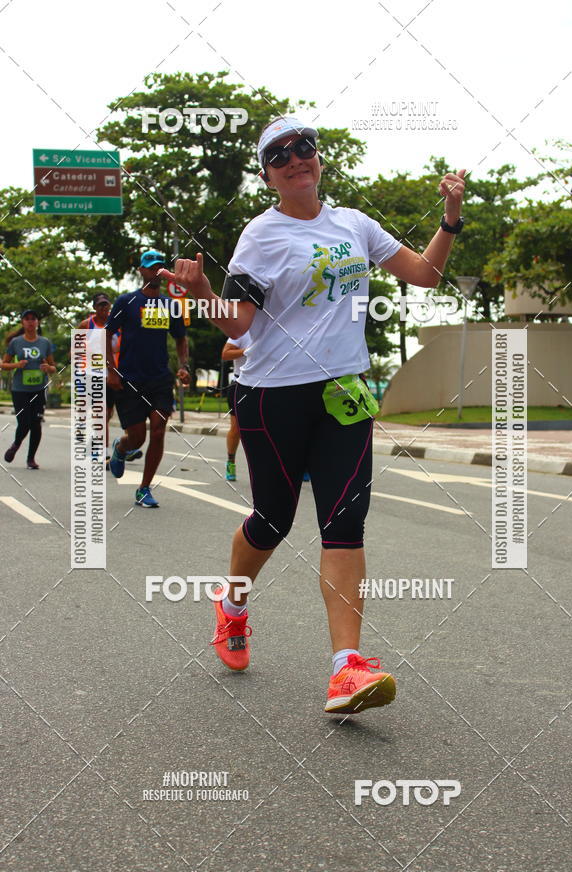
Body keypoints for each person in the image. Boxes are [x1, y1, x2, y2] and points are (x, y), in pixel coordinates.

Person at [160, 115, 465, 714]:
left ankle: (346, 668)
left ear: (318, 158)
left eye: (304, 147)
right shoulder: (261, 236)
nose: (295, 158)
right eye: (279, 155)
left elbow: (425, 275)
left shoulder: (355, 225)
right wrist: (202, 296)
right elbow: (240, 324)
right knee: (272, 519)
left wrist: (449, 217)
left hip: (344, 392)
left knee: (345, 523)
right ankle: (232, 604)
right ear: (267, 175)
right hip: (272, 394)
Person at [105, 250, 190, 508]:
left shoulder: (170, 305)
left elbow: (180, 338)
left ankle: (144, 488)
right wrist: (111, 371)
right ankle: (121, 448)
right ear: (141, 271)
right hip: (130, 379)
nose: (156, 272)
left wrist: (184, 366)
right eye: (151, 267)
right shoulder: (127, 301)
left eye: (160, 268)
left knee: (159, 430)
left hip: (159, 379)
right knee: (137, 438)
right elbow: (106, 334)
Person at [76, 291, 143, 468]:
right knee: (102, 414)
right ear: (94, 307)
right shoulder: (86, 325)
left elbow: (125, 346)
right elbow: (75, 351)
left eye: (106, 304)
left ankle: (126, 446)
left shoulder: (117, 325)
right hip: (92, 375)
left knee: (118, 412)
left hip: (114, 375)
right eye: (100, 305)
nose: (104, 308)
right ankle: (103, 453)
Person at [2, 310, 56, 469]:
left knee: (36, 423)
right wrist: (16, 365)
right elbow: (4, 365)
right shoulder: (16, 342)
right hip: (20, 390)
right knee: (24, 422)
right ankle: (16, 445)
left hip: (39, 389)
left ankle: (31, 459)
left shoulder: (45, 343)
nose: (30, 322)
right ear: (23, 322)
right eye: (27, 319)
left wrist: (48, 368)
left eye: (33, 319)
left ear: (37, 322)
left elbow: (53, 367)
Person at [221, 331, 252, 481]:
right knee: (236, 427)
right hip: (240, 384)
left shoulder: (272, 330)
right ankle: (231, 461)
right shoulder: (241, 332)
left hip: (266, 384)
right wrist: (247, 351)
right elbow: (225, 354)